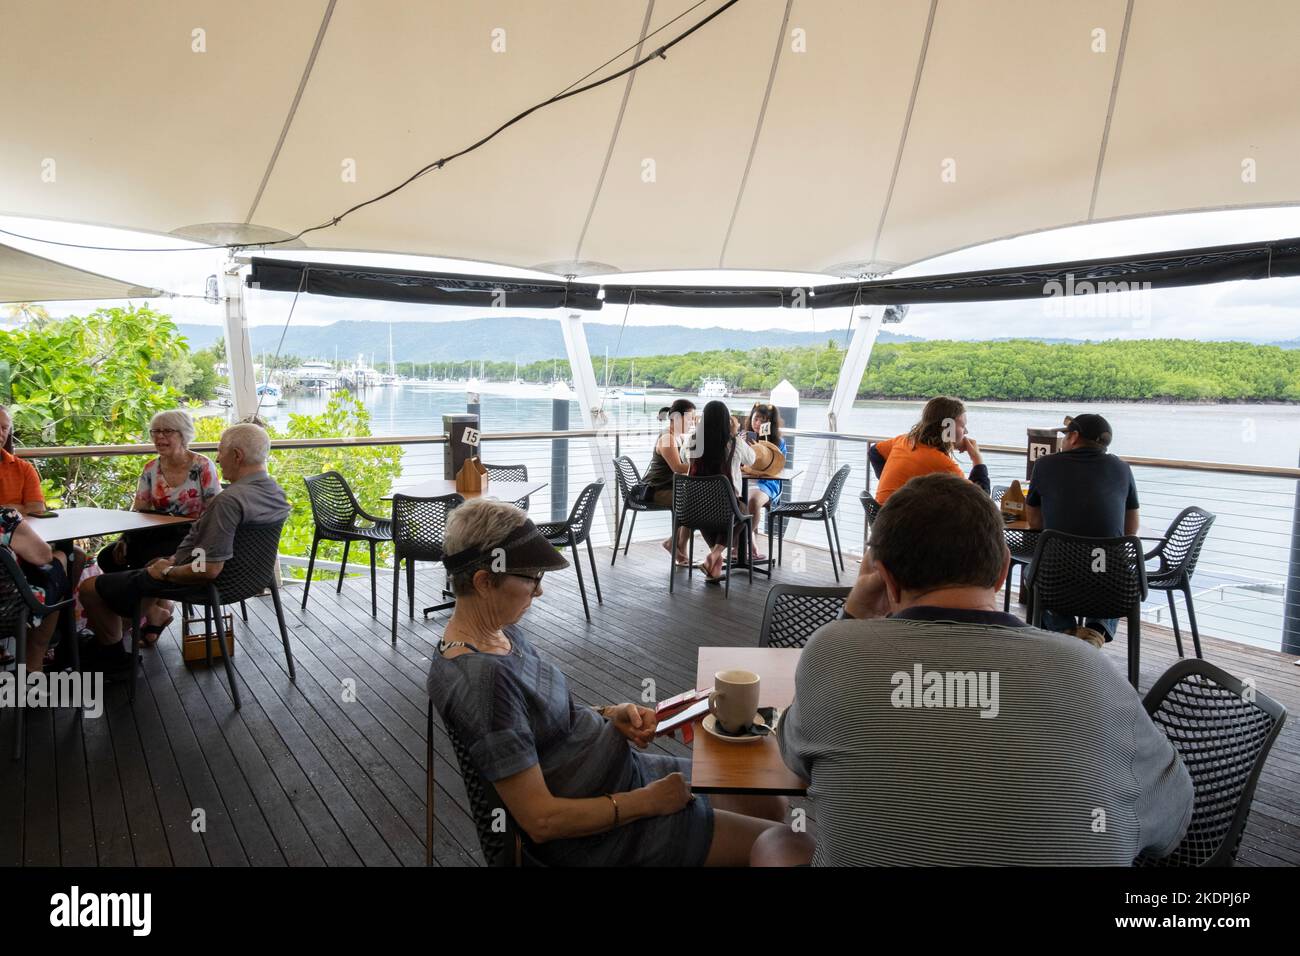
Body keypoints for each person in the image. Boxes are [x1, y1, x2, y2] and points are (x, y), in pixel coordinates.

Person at [754, 473, 1192, 866]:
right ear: (1003, 571)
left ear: (885, 579)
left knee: (775, 842)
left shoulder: (836, 651)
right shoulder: (1090, 670)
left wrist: (852, 617)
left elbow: (794, 755)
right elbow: (1173, 816)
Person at [426, 497, 785, 865]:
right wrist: (648, 802)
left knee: (766, 797)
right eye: (532, 580)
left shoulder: (500, 634)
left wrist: (609, 713)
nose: (539, 591)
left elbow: (542, 719)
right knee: (779, 844)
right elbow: (542, 820)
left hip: (622, 775)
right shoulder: (483, 681)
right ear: (485, 582)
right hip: (598, 835)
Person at [78, 423, 289, 659]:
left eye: (220, 451)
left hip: (207, 584)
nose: (218, 459)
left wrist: (167, 571)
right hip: (246, 580)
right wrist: (169, 562)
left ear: (237, 456)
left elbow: (206, 569)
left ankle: (113, 657)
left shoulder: (229, 502)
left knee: (89, 588)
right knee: (150, 564)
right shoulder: (275, 492)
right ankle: (137, 624)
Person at [96, 410, 221, 645]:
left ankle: (137, 616)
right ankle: (155, 612)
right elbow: (140, 509)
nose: (159, 437)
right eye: (155, 432)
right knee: (109, 557)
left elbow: (215, 510)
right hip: (153, 532)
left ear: (183, 435)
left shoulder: (202, 466)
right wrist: (124, 538)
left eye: (167, 432)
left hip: (190, 535)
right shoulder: (150, 468)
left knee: (153, 561)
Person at [1025, 413, 1140, 648]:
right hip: (1115, 585)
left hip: (1056, 583)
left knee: (1033, 572)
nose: (1063, 440)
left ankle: (1065, 630)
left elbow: (1035, 523)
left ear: (1075, 437)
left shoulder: (1045, 465)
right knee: (1115, 568)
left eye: (1065, 435)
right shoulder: (1122, 468)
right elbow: (1130, 529)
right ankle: (1095, 631)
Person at [868, 396, 988, 504]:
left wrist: (896, 487)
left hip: (883, 518)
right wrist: (976, 458)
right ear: (947, 427)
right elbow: (981, 501)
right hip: (903, 524)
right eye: (962, 426)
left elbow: (874, 452)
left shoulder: (906, 440)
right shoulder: (940, 463)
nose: (966, 431)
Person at [686, 400, 756, 581]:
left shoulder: (692, 440)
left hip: (695, 506)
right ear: (727, 420)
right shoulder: (735, 442)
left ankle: (714, 567)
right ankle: (715, 554)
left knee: (707, 518)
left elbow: (684, 460)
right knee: (742, 512)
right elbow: (752, 460)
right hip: (726, 505)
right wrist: (735, 432)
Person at [0, 506, 68, 671]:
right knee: (60, 558)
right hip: (7, 615)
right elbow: (43, 556)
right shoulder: (6, 518)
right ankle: (34, 661)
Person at [643, 398, 695, 565]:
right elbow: (678, 468)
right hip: (655, 490)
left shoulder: (678, 437)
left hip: (669, 487)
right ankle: (673, 544)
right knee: (692, 504)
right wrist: (701, 467)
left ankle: (678, 546)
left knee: (694, 501)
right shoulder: (667, 438)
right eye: (690, 418)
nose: (692, 422)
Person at [742, 403, 786, 562]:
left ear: (770, 423)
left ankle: (740, 544)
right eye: (756, 419)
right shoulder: (745, 438)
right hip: (744, 481)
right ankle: (750, 544)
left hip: (767, 483)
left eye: (763, 420)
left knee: (752, 501)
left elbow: (779, 468)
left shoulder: (777, 443)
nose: (758, 423)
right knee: (735, 500)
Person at [0, 404, 47, 515]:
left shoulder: (23, 468)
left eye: (4, 428)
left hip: (16, 531)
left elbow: (37, 509)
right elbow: (30, 509)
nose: (0, 433)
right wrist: (16, 508)